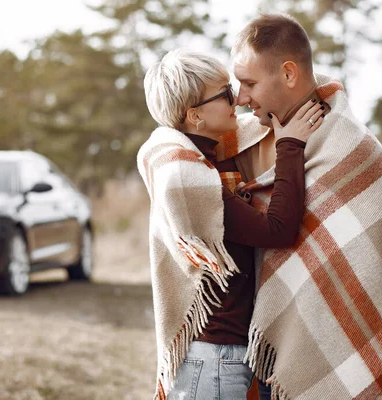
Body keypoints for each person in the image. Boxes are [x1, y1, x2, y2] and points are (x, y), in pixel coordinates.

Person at [216, 13, 382, 399]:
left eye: (249, 84)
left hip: (348, 347)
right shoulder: (242, 139)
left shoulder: (355, 152)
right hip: (264, 352)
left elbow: (369, 273)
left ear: (289, 74)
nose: (241, 98)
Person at [137, 49, 327, 399]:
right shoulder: (188, 177)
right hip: (215, 363)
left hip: (213, 359)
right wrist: (290, 145)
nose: (238, 99)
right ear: (194, 115)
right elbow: (278, 231)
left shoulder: (202, 162)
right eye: (225, 93)